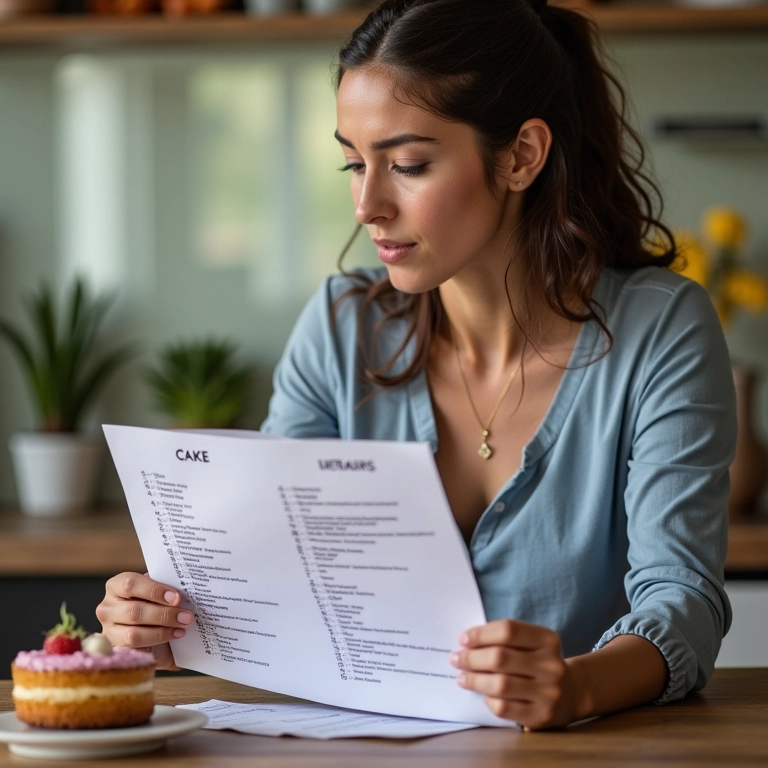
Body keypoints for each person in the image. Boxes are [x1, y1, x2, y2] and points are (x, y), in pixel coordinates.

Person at [97, 0, 736, 730]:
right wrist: (175, 621)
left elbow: (682, 600)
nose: (367, 204)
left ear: (522, 155)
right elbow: (276, 574)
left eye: (407, 165)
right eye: (353, 162)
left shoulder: (663, 329)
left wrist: (572, 687)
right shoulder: (341, 327)